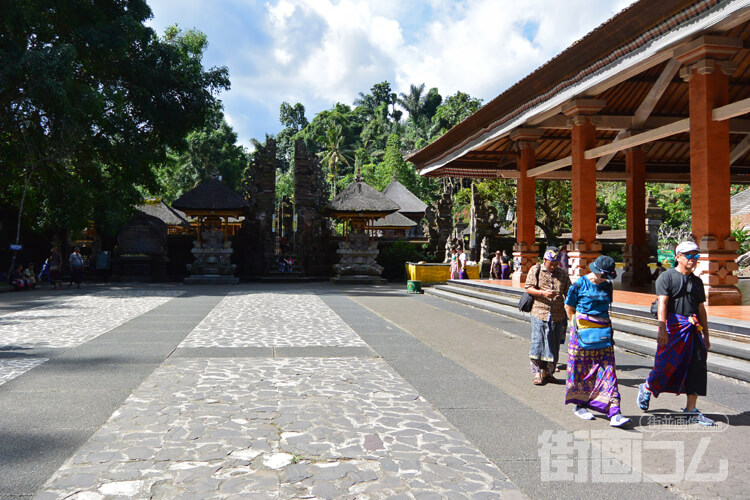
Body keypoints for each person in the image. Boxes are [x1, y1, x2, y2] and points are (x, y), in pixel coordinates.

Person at [637, 241, 713, 425]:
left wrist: (707, 335)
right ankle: (647, 387)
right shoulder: (667, 277)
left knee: (697, 367)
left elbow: (701, 308)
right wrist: (662, 328)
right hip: (673, 328)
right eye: (689, 255)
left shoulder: (696, 281)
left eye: (696, 256)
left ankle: (690, 410)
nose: (693, 260)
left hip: (693, 329)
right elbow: (662, 303)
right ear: (678, 256)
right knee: (665, 365)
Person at [564, 255, 631, 427]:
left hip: (603, 333)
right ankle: (580, 405)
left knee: (608, 370)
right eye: (603, 276)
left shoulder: (607, 285)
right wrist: (575, 325)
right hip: (582, 334)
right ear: (595, 271)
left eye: (608, 277)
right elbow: (568, 306)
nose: (605, 279)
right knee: (582, 370)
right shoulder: (579, 284)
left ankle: (615, 412)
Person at [525, 247, 571, 386]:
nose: (553, 266)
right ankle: (537, 373)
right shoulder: (536, 270)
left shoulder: (562, 274)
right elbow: (528, 287)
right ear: (544, 260)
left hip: (557, 315)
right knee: (538, 342)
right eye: (551, 263)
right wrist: (542, 293)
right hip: (539, 311)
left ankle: (548, 373)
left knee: (553, 344)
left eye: (556, 264)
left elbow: (569, 292)